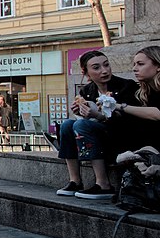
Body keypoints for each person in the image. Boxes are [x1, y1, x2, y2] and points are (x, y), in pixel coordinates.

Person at [55, 50, 137, 199]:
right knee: (67, 124)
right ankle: (75, 180)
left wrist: (98, 116)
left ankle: (104, 184)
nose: (104, 71)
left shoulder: (126, 86)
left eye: (106, 65)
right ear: (86, 72)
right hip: (97, 136)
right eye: (96, 67)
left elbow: (127, 120)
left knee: (82, 126)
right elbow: (84, 118)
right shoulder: (87, 91)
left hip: (121, 137)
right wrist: (80, 111)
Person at [107, 45, 160, 154]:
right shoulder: (143, 92)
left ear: (158, 66)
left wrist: (120, 106)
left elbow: (157, 114)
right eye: (134, 64)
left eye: (140, 64)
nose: (134, 68)